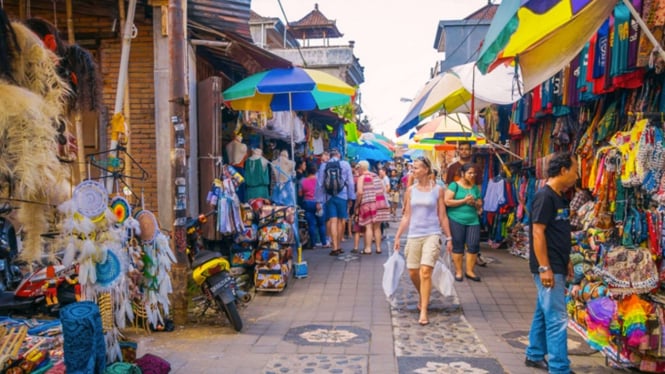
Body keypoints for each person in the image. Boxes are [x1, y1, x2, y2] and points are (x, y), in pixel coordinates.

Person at [525, 152, 579, 374]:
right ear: (564, 170)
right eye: (575, 170)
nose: (577, 176)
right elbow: (537, 232)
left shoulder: (559, 197)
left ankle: (534, 354)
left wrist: (565, 260)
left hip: (557, 263)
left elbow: (558, 232)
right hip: (548, 267)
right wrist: (545, 267)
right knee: (557, 318)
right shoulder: (545, 196)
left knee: (543, 311)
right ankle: (559, 368)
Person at [393, 156, 453, 326]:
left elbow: (442, 216)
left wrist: (448, 237)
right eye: (413, 168)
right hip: (413, 235)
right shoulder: (410, 191)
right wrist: (398, 236)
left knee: (425, 271)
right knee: (413, 271)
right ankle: (423, 294)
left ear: (426, 170)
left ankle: (424, 310)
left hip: (432, 234)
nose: (413, 171)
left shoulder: (438, 190)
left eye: (417, 168)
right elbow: (406, 216)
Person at [445, 142, 487, 267]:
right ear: (458, 151)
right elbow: (448, 186)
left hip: (472, 206)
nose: (464, 151)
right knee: (457, 237)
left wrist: (478, 203)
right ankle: (458, 257)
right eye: (462, 149)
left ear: (470, 151)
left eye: (466, 149)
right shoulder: (453, 167)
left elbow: (478, 186)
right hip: (455, 206)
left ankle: (474, 256)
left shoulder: (476, 168)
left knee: (473, 238)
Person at [444, 163, 483, 282]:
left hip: (473, 220)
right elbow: (447, 202)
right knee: (458, 245)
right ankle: (459, 271)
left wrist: (474, 203)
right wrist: (464, 200)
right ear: (462, 173)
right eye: (470, 173)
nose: (472, 175)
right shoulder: (454, 185)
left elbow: (480, 203)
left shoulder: (474, 187)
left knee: (473, 245)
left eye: (474, 173)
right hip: (456, 219)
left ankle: (470, 271)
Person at [316, 148, 355, 256]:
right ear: (339, 155)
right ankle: (339, 245)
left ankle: (334, 247)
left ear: (330, 155)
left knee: (333, 221)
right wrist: (351, 197)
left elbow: (320, 184)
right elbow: (350, 183)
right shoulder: (345, 165)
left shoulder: (324, 165)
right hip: (342, 196)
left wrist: (319, 200)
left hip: (329, 197)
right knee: (341, 221)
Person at [355, 160, 391, 254]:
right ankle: (378, 248)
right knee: (377, 227)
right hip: (379, 203)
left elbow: (359, 193)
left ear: (362, 168)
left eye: (358, 168)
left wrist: (357, 204)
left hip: (368, 203)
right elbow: (383, 189)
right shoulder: (376, 176)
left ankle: (368, 248)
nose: (357, 170)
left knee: (368, 227)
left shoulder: (362, 177)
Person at [299, 162, 326, 247]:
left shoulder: (302, 181)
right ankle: (324, 242)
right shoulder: (319, 181)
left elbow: (300, 194)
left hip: (308, 203)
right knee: (321, 224)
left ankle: (313, 244)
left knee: (311, 224)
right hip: (319, 203)